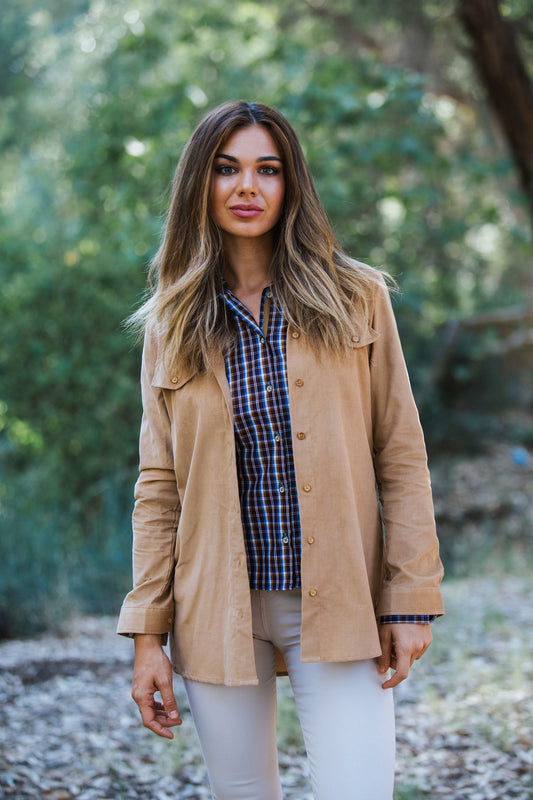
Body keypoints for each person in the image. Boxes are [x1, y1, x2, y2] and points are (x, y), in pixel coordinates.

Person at [117, 100, 444, 800]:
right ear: (198, 185)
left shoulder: (354, 297)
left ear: (290, 184)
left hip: (339, 601)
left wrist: (409, 598)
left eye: (267, 170)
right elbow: (158, 485)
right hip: (215, 610)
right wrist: (148, 637)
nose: (246, 187)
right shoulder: (170, 323)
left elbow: (400, 452)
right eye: (226, 169)